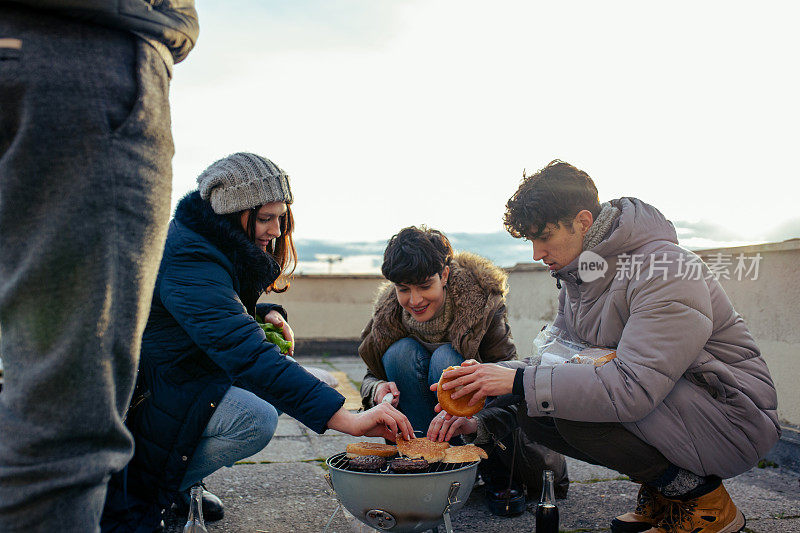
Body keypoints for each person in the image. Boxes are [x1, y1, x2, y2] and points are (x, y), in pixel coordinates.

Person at [430, 160, 780, 533]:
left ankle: (704, 503)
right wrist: (487, 392)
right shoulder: (582, 274)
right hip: (677, 407)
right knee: (537, 411)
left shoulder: (665, 268)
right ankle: (664, 491)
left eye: (544, 237)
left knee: (566, 407)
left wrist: (517, 383)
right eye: (530, 240)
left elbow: (633, 388)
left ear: (582, 222)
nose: (536, 253)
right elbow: (558, 361)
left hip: (732, 417)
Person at [101, 153, 413, 531]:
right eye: (265, 218)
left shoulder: (206, 239)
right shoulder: (189, 254)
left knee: (321, 382)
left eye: (281, 217)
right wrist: (347, 420)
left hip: (191, 372)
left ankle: (183, 482)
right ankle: (155, 488)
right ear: (232, 214)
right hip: (160, 388)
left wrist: (262, 310)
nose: (277, 230)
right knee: (255, 419)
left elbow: (206, 308)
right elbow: (245, 352)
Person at [0, 2, 198, 531]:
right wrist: (337, 414)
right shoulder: (198, 250)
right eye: (267, 216)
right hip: (78, 55)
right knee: (64, 429)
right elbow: (223, 331)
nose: (275, 229)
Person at [358, 226, 568, 502]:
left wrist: (475, 421)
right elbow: (370, 377)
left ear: (444, 275)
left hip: (477, 431)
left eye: (424, 286)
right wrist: (376, 390)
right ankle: (423, 465)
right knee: (399, 353)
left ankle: (473, 468)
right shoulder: (388, 315)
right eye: (403, 289)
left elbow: (511, 383)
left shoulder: (481, 304)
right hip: (420, 423)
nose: (415, 300)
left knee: (449, 360)